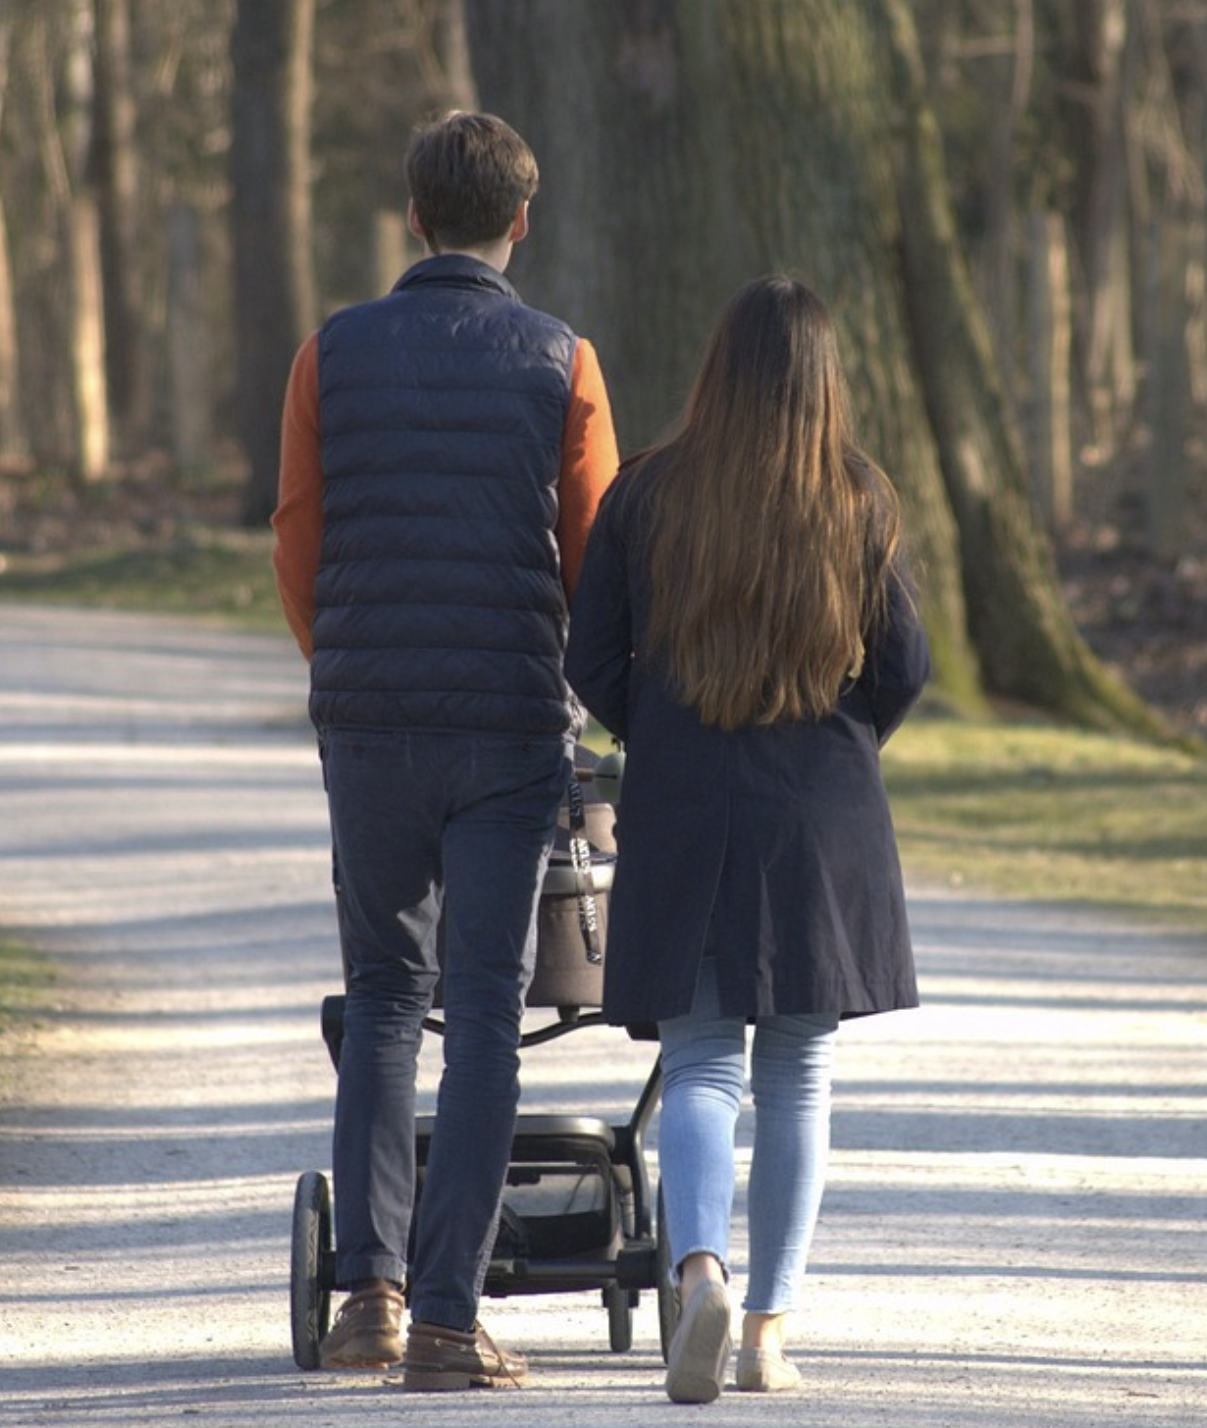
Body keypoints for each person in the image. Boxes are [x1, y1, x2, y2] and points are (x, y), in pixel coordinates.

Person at [271, 110, 619, 1391]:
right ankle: (448, 1319)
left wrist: (345, 665)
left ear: (414, 217)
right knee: (482, 1011)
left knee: (382, 997)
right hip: (510, 727)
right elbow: (596, 557)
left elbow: (297, 542)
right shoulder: (563, 362)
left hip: (368, 724)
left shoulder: (331, 355)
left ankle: (367, 1292)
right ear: (520, 221)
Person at [564, 275, 929, 1403]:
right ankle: (768, 1326)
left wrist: (661, 728)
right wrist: (843, 733)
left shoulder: (646, 495)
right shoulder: (859, 500)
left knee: (704, 1069)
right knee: (800, 1076)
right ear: (825, 384)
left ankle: (699, 1270)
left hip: (687, 809)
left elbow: (590, 660)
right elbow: (906, 665)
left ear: (715, 374)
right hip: (819, 818)